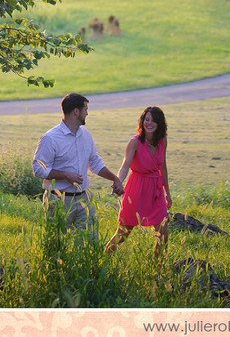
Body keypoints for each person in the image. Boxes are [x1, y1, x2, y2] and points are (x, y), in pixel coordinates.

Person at [32, 93, 123, 233]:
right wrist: (65, 176)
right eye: (85, 109)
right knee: (58, 243)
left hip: (84, 199)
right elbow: (38, 168)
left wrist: (114, 178)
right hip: (58, 201)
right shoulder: (50, 138)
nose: (87, 113)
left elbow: (94, 162)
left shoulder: (85, 134)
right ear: (76, 111)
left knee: (89, 241)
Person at [106, 105, 172, 256]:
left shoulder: (163, 140)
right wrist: (118, 181)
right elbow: (125, 166)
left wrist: (167, 192)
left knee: (163, 234)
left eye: (153, 121)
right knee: (123, 234)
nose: (149, 123)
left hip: (156, 189)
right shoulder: (134, 142)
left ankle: (158, 270)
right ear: (142, 122)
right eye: (146, 120)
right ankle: (103, 258)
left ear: (159, 123)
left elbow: (164, 167)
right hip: (136, 189)